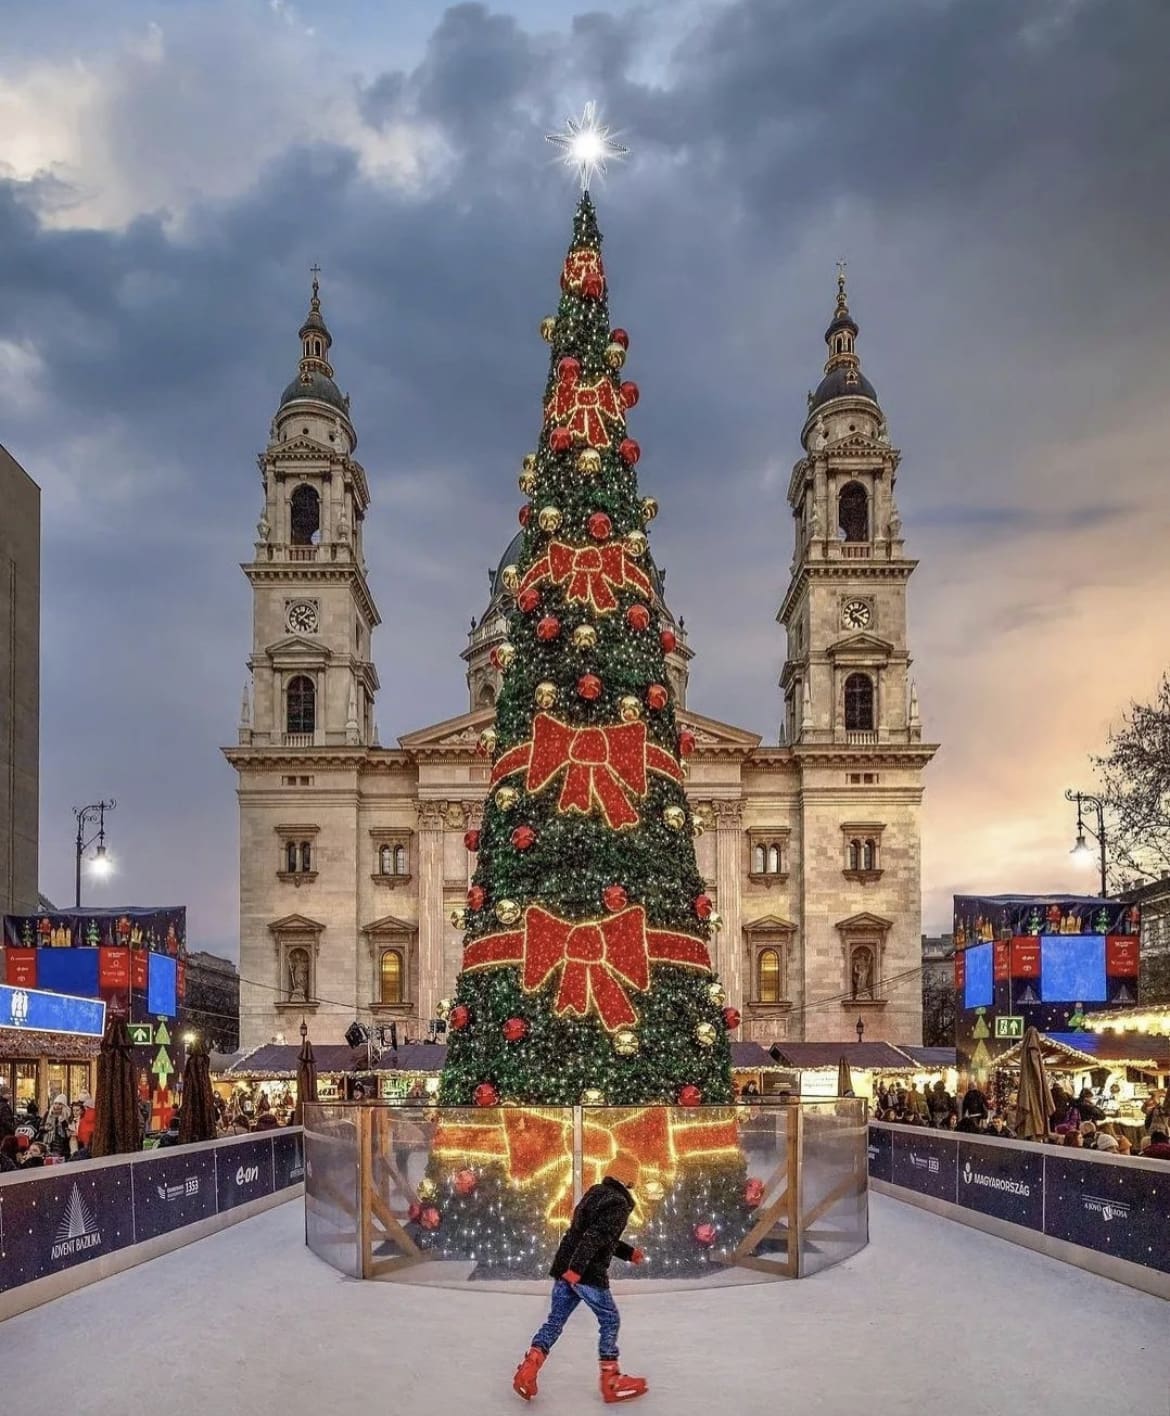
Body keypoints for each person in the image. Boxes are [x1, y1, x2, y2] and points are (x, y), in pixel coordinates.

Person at [513, 1157, 648, 1405]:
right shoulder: (618, 1203)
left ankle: (528, 1368)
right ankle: (611, 1380)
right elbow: (595, 1237)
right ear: (629, 1179)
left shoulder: (596, 1193)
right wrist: (578, 1270)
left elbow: (595, 1235)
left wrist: (629, 1253)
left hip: (566, 1266)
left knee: (555, 1321)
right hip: (585, 1272)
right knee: (610, 1320)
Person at [41, 1094, 72, 1159]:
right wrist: (45, 1128)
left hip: (61, 1145)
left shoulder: (67, 1116)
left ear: (63, 1106)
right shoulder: (48, 1114)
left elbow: (68, 1132)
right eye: (55, 1103)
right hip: (48, 1142)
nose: (57, 1106)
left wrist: (62, 1122)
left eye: (60, 1104)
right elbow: (40, 1127)